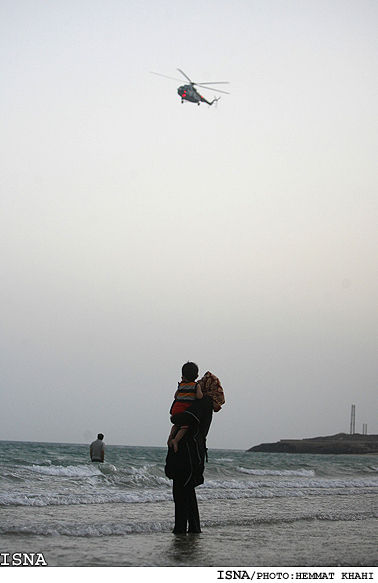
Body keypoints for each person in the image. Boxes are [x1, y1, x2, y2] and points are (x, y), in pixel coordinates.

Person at [165, 363, 214, 534]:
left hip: (188, 453)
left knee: (181, 493)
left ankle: (181, 530)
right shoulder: (201, 400)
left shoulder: (204, 402)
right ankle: (192, 530)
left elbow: (178, 416)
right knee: (187, 493)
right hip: (190, 451)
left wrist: (175, 423)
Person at [168, 362, 203, 453]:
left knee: (176, 424)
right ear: (197, 375)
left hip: (176, 408)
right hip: (184, 409)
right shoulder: (196, 385)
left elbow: (175, 396)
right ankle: (176, 440)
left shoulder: (181, 385)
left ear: (183, 375)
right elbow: (199, 396)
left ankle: (170, 437)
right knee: (184, 426)